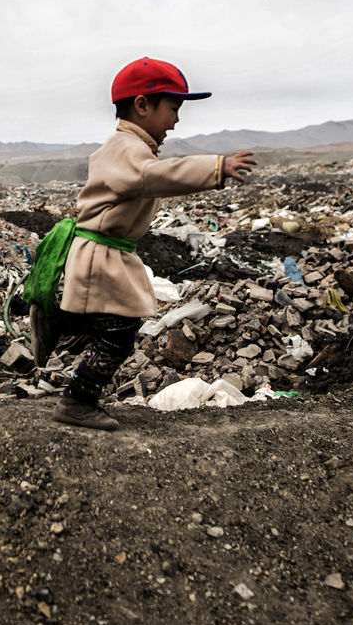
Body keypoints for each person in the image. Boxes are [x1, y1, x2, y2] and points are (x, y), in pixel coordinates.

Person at [27, 57, 257, 430]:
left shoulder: (130, 147)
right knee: (119, 331)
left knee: (114, 322)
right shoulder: (126, 148)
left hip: (108, 252)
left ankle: (61, 320)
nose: (176, 120)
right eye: (173, 108)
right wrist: (216, 168)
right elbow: (152, 177)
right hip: (101, 254)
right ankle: (77, 400)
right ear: (142, 105)